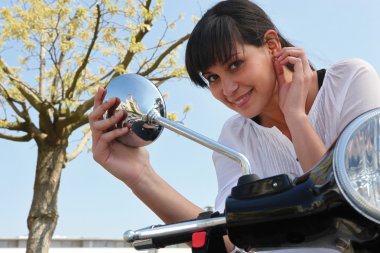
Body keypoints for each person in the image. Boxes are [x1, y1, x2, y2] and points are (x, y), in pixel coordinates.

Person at [89, 0, 380, 252]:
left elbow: (352, 207)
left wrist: (296, 117)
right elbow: (229, 239)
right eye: (212, 78)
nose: (227, 89)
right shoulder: (234, 137)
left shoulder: (350, 81)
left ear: (271, 45)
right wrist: (140, 175)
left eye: (234, 65)